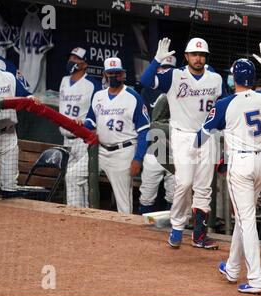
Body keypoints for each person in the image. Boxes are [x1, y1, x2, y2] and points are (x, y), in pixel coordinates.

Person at [194, 42, 261, 294]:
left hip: (241, 165)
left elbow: (201, 135)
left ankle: (256, 279)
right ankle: (233, 268)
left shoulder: (226, 104)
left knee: (246, 220)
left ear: (233, 78)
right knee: (244, 216)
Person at [140, 37, 226, 250]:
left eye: (202, 55)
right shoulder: (174, 76)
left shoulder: (216, 79)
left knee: (204, 188)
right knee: (184, 183)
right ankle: (177, 228)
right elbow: (145, 81)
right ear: (186, 56)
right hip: (183, 136)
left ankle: (199, 236)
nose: (198, 58)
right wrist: (156, 60)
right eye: (194, 54)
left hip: (208, 136)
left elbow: (225, 108)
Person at [84, 57, 150, 214]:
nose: (114, 76)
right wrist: (78, 124)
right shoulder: (98, 95)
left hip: (123, 152)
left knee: (123, 204)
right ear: (105, 74)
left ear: (122, 74)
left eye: (117, 73)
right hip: (99, 151)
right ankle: (81, 216)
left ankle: (126, 235)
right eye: (110, 73)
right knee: (74, 175)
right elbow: (90, 122)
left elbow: (144, 131)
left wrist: (138, 158)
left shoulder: (133, 97)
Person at [59, 47, 101, 208]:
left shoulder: (92, 85)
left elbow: (99, 110)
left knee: (80, 180)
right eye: (71, 57)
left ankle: (83, 217)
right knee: (71, 181)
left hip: (83, 139)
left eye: (76, 59)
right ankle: (75, 216)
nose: (72, 61)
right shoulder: (63, 81)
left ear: (85, 64)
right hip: (66, 139)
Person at [138, 56, 177, 214]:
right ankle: (141, 230)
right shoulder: (147, 91)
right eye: (162, 67)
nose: (164, 70)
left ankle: (172, 227)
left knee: (174, 196)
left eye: (168, 68)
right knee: (147, 195)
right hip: (153, 149)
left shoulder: (182, 93)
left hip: (175, 151)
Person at [0, 65, 32, 198]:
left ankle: (8, 219)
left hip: (8, 134)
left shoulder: (8, 77)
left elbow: (26, 95)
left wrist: (31, 99)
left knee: (10, 186)